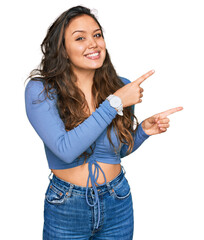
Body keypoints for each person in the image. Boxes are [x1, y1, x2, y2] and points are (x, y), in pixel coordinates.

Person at [24, 5, 183, 240]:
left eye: (97, 35)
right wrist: (115, 103)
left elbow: (117, 152)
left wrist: (142, 132)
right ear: (63, 50)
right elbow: (66, 151)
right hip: (67, 205)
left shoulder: (122, 85)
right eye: (80, 38)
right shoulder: (41, 90)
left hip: (117, 199)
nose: (93, 44)